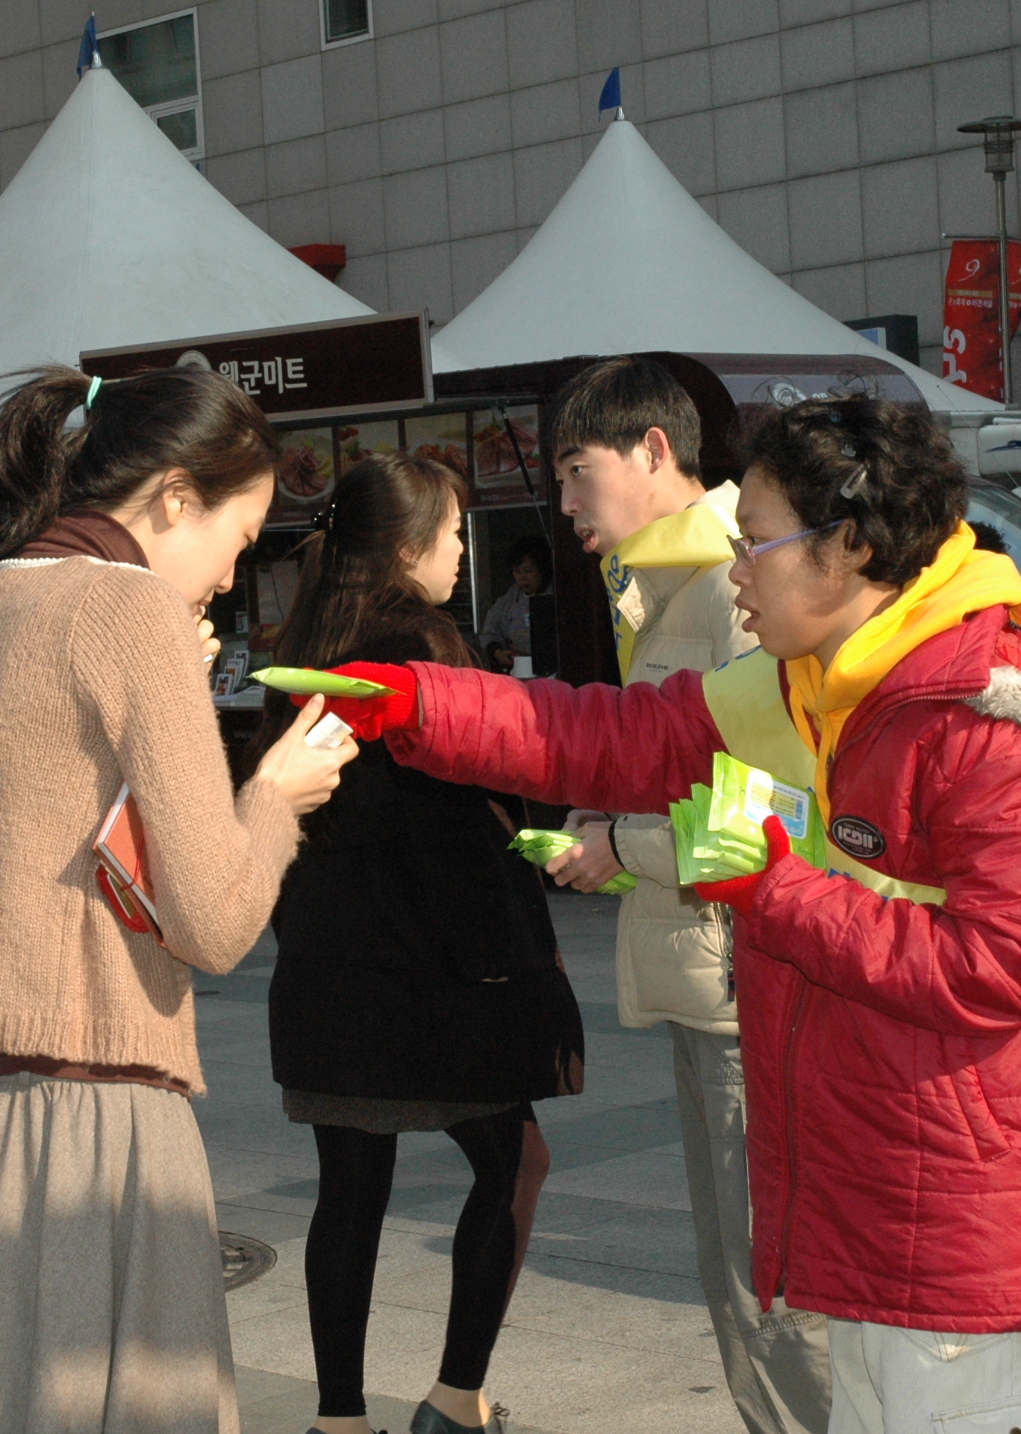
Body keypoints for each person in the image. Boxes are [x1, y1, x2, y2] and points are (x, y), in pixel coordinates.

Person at [303, 395, 1021, 1434]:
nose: (736, 570)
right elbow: (610, 739)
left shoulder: (988, 725)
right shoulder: (809, 685)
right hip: (873, 1202)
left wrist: (773, 886)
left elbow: (1005, 967)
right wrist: (419, 704)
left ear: (845, 548)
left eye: (753, 543)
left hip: (963, 1238)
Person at [0, 365, 355, 1434]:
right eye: (241, 531)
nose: (233, 571)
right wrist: (275, 796)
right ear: (176, 496)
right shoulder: (129, 612)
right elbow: (215, 922)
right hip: (83, 1119)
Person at [257, 454, 585, 1434]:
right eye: (448, 535)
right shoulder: (424, 643)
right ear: (406, 547)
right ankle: (455, 1396)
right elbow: (470, 831)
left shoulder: (307, 637)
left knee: (349, 1191)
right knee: (514, 1163)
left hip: (329, 966)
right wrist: (531, 970)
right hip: (440, 973)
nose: (458, 553)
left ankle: (337, 1417)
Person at [534, 357, 826, 1434]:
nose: (563, 504)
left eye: (578, 470)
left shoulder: (729, 586)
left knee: (770, 1283)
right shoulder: (663, 583)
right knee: (738, 1274)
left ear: (656, 452)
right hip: (708, 973)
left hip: (750, 976)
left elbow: (770, 813)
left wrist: (622, 844)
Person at [477, 535, 551, 671]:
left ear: (542, 569)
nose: (523, 578)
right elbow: (489, 631)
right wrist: (498, 652)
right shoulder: (508, 600)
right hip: (518, 670)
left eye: (528, 571)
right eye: (517, 572)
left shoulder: (558, 596)